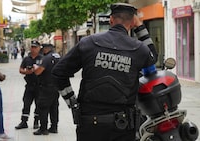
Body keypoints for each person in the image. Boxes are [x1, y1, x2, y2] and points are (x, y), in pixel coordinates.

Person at [51, 3, 158, 141]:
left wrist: (73, 102)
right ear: (132, 22)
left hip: (89, 125)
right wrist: (140, 26)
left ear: (111, 20)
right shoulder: (139, 49)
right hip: (122, 126)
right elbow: (153, 57)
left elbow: (58, 73)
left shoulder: (88, 43)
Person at [33, 43, 61, 135]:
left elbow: (39, 72)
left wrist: (35, 68)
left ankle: (43, 129)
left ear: (46, 49)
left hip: (46, 87)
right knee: (54, 107)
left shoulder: (47, 58)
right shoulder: (58, 56)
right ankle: (54, 127)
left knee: (43, 107)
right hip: (56, 86)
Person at [15, 40, 43, 130]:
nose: (33, 49)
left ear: (39, 48)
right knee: (26, 103)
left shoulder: (42, 58)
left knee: (39, 104)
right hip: (29, 85)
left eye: (35, 47)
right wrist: (27, 72)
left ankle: (36, 121)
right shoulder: (27, 59)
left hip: (39, 85)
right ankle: (24, 121)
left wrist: (37, 70)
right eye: (32, 47)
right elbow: (20, 69)